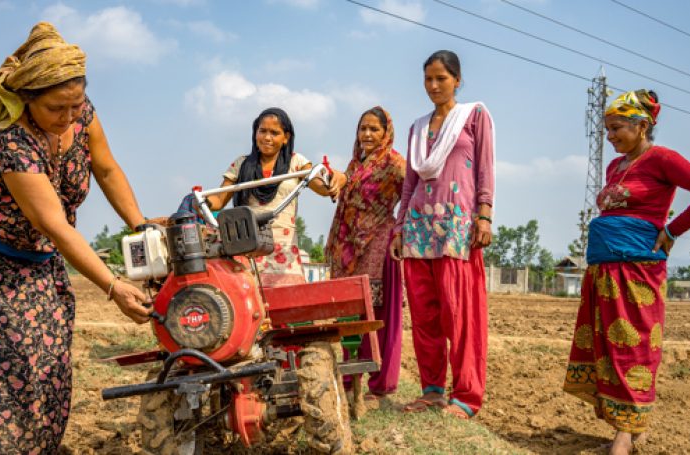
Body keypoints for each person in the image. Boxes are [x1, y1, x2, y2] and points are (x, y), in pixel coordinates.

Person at [0, 23, 153, 453]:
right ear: (27, 101)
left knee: (42, 373)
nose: (68, 117)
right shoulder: (11, 139)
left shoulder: (80, 112)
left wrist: (140, 225)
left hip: (33, 263)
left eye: (75, 104)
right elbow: (55, 225)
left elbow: (105, 169)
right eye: (55, 109)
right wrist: (113, 285)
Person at [562, 89, 690, 455]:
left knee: (632, 346)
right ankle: (625, 423)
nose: (610, 137)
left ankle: (625, 435)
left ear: (642, 126)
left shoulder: (663, 159)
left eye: (617, 128)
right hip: (603, 270)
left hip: (637, 271)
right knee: (607, 347)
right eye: (608, 129)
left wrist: (673, 231)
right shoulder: (615, 167)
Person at [390, 50, 495, 419]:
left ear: (457, 79)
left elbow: (484, 167)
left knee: (460, 315)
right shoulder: (418, 128)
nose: (433, 86)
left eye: (441, 79)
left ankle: (466, 395)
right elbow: (409, 183)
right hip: (419, 229)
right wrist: (400, 227)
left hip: (457, 228)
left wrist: (485, 215)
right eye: (428, 79)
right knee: (425, 316)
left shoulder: (474, 116)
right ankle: (432, 391)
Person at [204, 107, 343, 286]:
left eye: (274, 133)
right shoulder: (241, 164)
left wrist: (330, 185)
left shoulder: (296, 162)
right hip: (249, 248)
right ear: (255, 134)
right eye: (262, 131)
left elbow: (319, 185)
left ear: (286, 138)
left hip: (284, 253)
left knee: (288, 303)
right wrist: (202, 202)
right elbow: (218, 200)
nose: (267, 137)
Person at [325, 106, 405, 399]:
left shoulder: (395, 164)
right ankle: (349, 378)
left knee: (376, 312)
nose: (367, 135)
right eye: (363, 129)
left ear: (386, 133)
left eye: (374, 129)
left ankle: (379, 382)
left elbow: (411, 193)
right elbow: (342, 185)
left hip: (378, 243)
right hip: (348, 246)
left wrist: (403, 232)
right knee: (350, 311)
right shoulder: (355, 164)